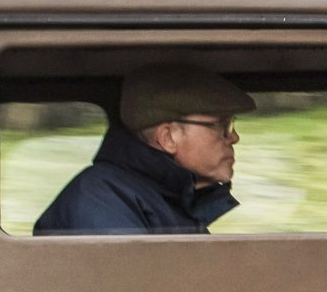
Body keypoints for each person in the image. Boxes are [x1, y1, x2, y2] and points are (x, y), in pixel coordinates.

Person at [33, 64, 256, 235]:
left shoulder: (168, 198)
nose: (234, 137)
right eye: (222, 125)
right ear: (168, 138)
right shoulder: (101, 199)